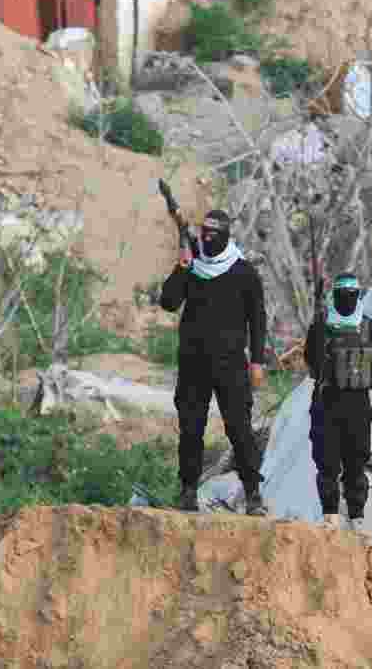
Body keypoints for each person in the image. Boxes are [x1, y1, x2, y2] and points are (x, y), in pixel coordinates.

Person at [159, 209, 268, 516]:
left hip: (231, 365)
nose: (208, 238)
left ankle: (253, 495)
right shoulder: (192, 265)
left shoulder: (244, 272)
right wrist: (181, 269)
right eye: (203, 232)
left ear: (226, 236)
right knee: (191, 429)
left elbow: (257, 320)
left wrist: (257, 362)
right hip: (193, 364)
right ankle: (188, 492)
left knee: (240, 429)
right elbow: (168, 302)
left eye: (214, 233)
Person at [304, 272, 372, 530]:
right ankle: (330, 516)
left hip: (359, 408)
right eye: (342, 294)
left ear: (358, 296)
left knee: (356, 465)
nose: (347, 299)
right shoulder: (322, 324)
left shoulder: (369, 327)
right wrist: (317, 327)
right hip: (327, 404)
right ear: (334, 296)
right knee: (327, 464)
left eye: (352, 294)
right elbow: (312, 361)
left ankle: (357, 519)